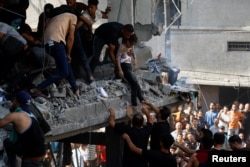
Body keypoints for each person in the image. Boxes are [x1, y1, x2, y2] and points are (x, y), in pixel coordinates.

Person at [30, 6, 79, 97]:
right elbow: (71, 38)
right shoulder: (73, 16)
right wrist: (68, 53)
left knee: (66, 64)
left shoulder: (57, 17)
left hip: (47, 44)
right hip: (56, 42)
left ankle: (75, 89)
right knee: (64, 71)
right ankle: (37, 88)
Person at [1, 90, 45, 167]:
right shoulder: (31, 115)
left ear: (16, 101)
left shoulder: (16, 116)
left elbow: (1, 124)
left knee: (7, 142)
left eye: (14, 100)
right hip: (40, 155)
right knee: (9, 142)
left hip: (30, 158)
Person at [116, 34, 145, 107]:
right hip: (124, 66)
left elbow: (133, 53)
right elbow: (118, 59)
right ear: (128, 41)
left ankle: (141, 99)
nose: (131, 45)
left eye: (133, 44)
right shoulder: (122, 47)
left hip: (129, 66)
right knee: (134, 84)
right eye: (131, 43)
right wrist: (120, 70)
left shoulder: (131, 46)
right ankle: (134, 102)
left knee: (136, 82)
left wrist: (135, 58)